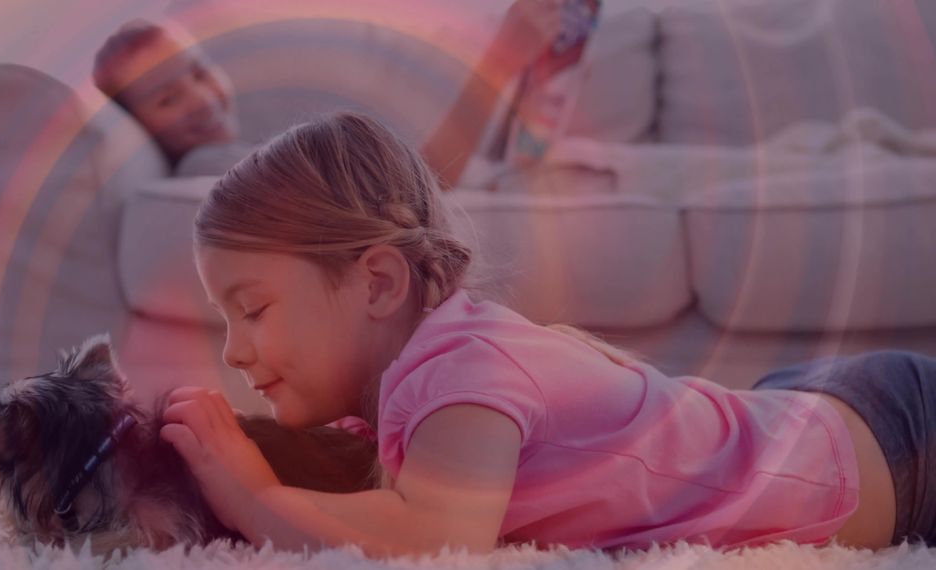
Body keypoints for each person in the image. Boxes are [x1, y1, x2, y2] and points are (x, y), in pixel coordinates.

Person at [157, 111, 936, 556]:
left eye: (252, 309)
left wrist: (256, 497)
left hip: (899, 448)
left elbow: (436, 538)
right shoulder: (407, 392)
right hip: (799, 410)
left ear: (379, 284)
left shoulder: (460, 372)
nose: (233, 350)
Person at [92, 0, 573, 187]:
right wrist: (501, 61)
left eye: (200, 73)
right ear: (138, 126)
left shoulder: (238, 153)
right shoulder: (208, 170)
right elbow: (417, 186)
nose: (201, 99)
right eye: (167, 99)